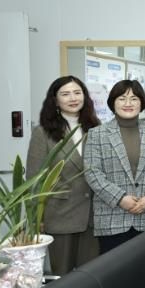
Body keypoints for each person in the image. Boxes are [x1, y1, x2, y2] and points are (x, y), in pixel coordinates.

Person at [26, 76, 101, 275]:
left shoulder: (96, 128)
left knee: (92, 278)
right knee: (62, 278)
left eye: (77, 92)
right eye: (65, 94)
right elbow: (34, 179)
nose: (73, 98)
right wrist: (36, 219)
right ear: (55, 100)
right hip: (59, 216)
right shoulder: (43, 132)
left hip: (93, 217)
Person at [84, 80, 145, 253]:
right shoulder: (97, 134)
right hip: (112, 218)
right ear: (113, 102)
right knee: (113, 269)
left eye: (134, 99)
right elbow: (92, 173)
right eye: (122, 98)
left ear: (141, 102)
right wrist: (120, 198)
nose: (128, 103)